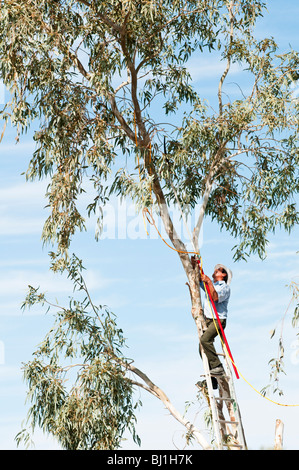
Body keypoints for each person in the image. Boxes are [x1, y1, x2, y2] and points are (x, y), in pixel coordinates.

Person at [192, 258, 232, 377]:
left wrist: (209, 281)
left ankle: (217, 366)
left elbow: (215, 298)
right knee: (202, 348)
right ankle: (213, 379)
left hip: (218, 320)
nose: (215, 271)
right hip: (209, 319)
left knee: (205, 340)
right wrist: (195, 266)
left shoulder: (224, 288)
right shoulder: (212, 285)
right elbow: (199, 280)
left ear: (223, 275)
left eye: (218, 270)